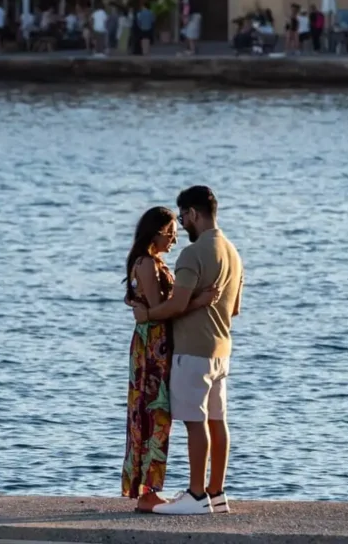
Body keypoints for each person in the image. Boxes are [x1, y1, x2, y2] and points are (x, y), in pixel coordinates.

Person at [133, 186, 244, 516]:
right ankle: (216, 492)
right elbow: (234, 308)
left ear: (194, 213)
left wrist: (148, 314)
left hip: (193, 351)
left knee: (195, 423)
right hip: (222, 349)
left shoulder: (193, 255)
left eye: (183, 217)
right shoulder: (234, 253)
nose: (182, 225)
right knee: (217, 421)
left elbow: (177, 305)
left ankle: (196, 495)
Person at [121, 207, 221, 512]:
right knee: (155, 415)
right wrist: (197, 301)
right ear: (155, 232)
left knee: (153, 414)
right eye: (170, 234)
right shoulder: (148, 264)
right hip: (154, 349)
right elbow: (161, 310)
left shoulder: (150, 262)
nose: (174, 240)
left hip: (155, 347)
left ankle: (147, 489)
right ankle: (147, 493)